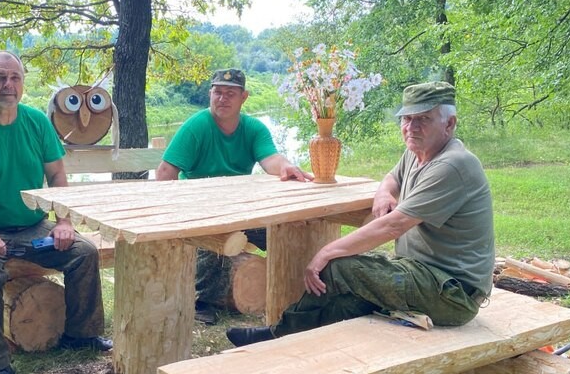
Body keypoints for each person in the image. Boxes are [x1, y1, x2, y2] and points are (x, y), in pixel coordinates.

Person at [226, 81, 494, 347]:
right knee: (346, 303)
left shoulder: (453, 164)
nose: (411, 127)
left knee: (338, 267)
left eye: (423, 119)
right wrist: (384, 193)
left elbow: (393, 225)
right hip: (424, 276)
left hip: (452, 293)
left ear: (449, 124)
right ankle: (288, 344)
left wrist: (326, 251)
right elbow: (392, 176)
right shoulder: (419, 151)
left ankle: (276, 336)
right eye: (407, 118)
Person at [0, 50, 111, 374]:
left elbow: (58, 177)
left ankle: (81, 335)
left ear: (23, 83)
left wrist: (63, 222)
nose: (8, 84)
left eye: (15, 78)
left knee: (84, 253)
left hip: (33, 226)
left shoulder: (36, 123)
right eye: (0, 77)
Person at [155, 68, 313, 324]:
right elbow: (165, 172)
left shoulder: (253, 128)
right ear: (210, 94)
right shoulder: (196, 127)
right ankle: (203, 301)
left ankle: (300, 289)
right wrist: (174, 218)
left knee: (284, 231)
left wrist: (286, 167)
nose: (222, 99)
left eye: (230, 93)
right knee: (214, 239)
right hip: (200, 209)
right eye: (217, 92)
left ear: (244, 97)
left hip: (241, 209)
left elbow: (270, 158)